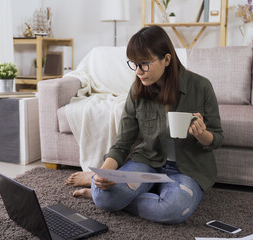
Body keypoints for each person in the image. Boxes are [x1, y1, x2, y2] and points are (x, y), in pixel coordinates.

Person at [66, 25, 223, 224]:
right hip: (148, 162)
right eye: (134, 64)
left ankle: (112, 198)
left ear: (166, 59)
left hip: (187, 170)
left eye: (144, 64)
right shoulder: (137, 91)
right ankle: (100, 189)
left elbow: (217, 138)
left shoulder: (201, 86)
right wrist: (104, 174)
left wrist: (202, 135)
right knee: (104, 194)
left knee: (173, 209)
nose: (139, 72)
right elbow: (122, 143)